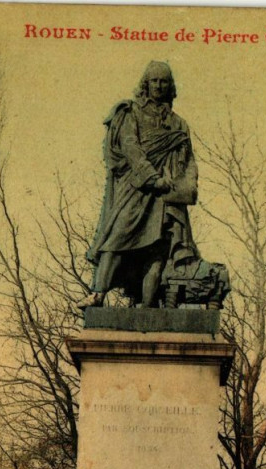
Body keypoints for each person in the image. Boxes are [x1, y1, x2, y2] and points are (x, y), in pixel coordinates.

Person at [80, 61, 200, 308]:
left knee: (158, 248)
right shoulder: (130, 112)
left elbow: (187, 162)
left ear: (171, 86)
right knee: (116, 237)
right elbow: (130, 148)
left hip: (166, 194)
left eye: (163, 81)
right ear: (146, 84)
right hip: (137, 189)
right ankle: (98, 294)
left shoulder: (179, 124)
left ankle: (147, 305)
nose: (158, 86)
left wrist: (182, 188)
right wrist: (152, 178)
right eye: (154, 81)